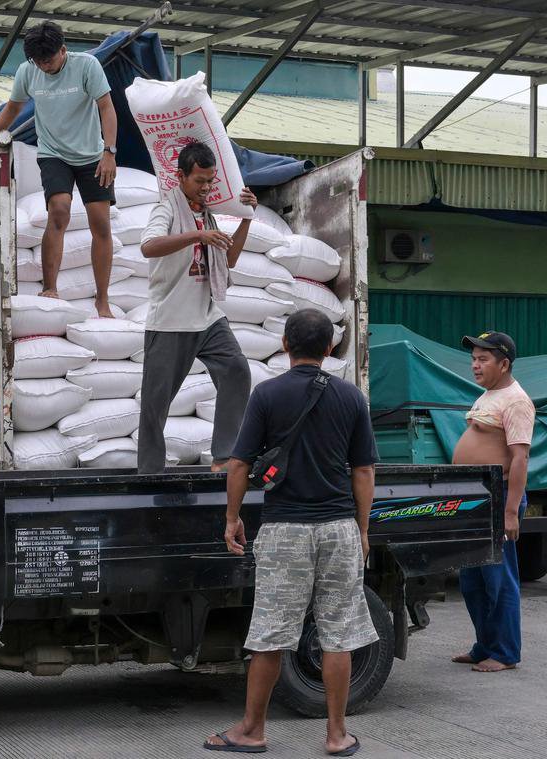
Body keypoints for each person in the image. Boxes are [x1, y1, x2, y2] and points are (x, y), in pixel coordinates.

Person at [205, 309, 378, 756]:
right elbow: (363, 470)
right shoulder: (351, 398)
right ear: (328, 349)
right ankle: (337, 735)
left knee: (270, 634)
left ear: (284, 344)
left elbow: (240, 464)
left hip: (285, 531)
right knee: (337, 634)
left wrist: (232, 517)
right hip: (338, 527)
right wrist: (361, 529)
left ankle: (252, 730)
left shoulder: (266, 394)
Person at [0, 22, 118, 317]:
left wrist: (109, 152)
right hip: (53, 154)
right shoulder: (28, 71)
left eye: (48, 60)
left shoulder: (87, 66)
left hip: (91, 155)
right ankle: (50, 287)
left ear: (63, 50)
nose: (44, 67)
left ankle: (102, 299)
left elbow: (106, 107)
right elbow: (12, 109)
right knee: (58, 210)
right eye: (38, 62)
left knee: (100, 223)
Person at [136, 141, 253, 474]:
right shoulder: (167, 209)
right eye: (199, 180)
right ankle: (150, 475)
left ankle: (224, 456)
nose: (206, 187)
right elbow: (149, 246)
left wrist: (245, 218)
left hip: (208, 317)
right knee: (155, 406)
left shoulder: (208, 214)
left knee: (237, 370)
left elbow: (227, 260)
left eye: (210, 180)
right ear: (181, 177)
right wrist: (197, 236)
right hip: (171, 321)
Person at [451, 331, 534, 674]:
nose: (475, 365)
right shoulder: (489, 395)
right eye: (473, 358)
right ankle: (484, 645)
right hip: (476, 495)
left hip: (497, 495)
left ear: (504, 364)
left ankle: (504, 652)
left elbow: (520, 459)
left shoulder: (516, 401)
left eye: (483, 359)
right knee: (472, 580)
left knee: (499, 579)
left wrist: (510, 511)